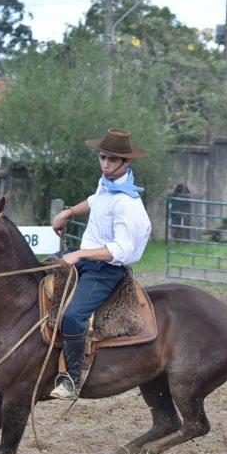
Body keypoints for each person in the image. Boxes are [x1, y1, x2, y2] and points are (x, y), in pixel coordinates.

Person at [48, 128, 153, 400]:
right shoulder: (107, 183)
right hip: (87, 256)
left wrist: (80, 255)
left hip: (107, 268)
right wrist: (69, 212)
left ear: (126, 162)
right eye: (103, 157)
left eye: (113, 159)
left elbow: (121, 249)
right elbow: (95, 201)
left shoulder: (127, 204)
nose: (106, 164)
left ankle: (72, 377)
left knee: (73, 316)